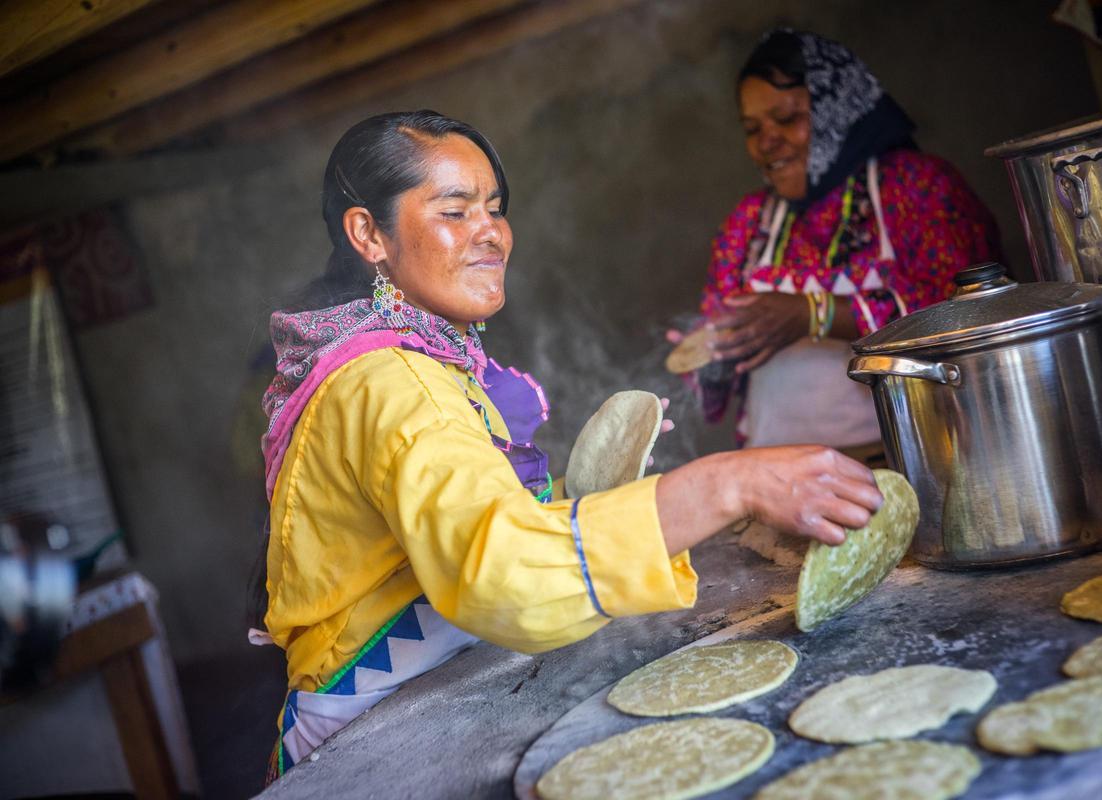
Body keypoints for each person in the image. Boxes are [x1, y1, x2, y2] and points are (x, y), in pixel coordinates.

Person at [253, 110, 883, 778]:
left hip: (411, 710)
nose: (491, 233)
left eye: (495, 209)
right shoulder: (391, 381)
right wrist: (730, 483)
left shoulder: (399, 360)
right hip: (375, 754)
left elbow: (460, 520)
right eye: (455, 211)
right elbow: (501, 571)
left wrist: (601, 490)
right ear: (368, 234)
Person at [672, 30, 1000, 450]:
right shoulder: (749, 221)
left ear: (838, 108)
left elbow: (966, 320)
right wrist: (713, 354)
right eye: (752, 128)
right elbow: (714, 373)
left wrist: (817, 314)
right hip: (778, 477)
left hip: (913, 461)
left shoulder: (918, 188)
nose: (766, 141)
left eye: (787, 119)